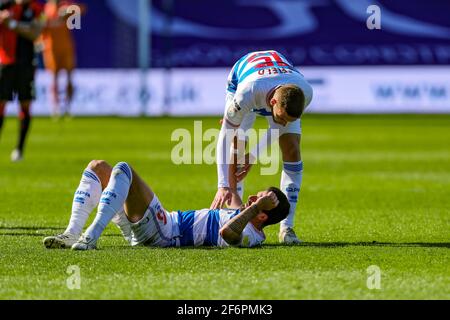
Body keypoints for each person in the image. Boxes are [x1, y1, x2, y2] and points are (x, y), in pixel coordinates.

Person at [43, 160, 290, 250]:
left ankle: (90, 237)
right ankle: (71, 233)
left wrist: (256, 206)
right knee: (98, 167)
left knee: (124, 170)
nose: (251, 200)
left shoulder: (251, 236)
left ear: (263, 217)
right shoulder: (245, 215)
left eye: (258, 201)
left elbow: (228, 233)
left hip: (165, 232)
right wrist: (237, 168)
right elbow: (234, 194)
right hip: (156, 228)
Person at [210, 50, 313, 245]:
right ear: (273, 102)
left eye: (288, 120)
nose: (284, 123)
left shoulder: (305, 92)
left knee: (292, 148)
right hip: (242, 78)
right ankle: (233, 214)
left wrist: (255, 155)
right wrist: (222, 185)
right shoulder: (246, 94)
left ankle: (287, 228)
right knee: (237, 142)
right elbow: (225, 135)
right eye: (282, 116)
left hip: (280, 78)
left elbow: (278, 126)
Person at [0, 0, 43, 162]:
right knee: (1, 104)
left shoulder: (36, 9)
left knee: (25, 105)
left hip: (26, 65)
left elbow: (35, 33)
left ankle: (19, 149)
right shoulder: (4, 6)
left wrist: (11, 24)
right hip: (5, 64)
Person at [40, 0, 85, 118]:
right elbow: (41, 28)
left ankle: (68, 107)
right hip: (51, 49)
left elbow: (82, 9)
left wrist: (69, 11)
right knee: (54, 78)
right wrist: (40, 41)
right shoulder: (46, 9)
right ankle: (55, 108)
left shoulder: (65, 6)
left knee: (69, 77)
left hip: (66, 48)